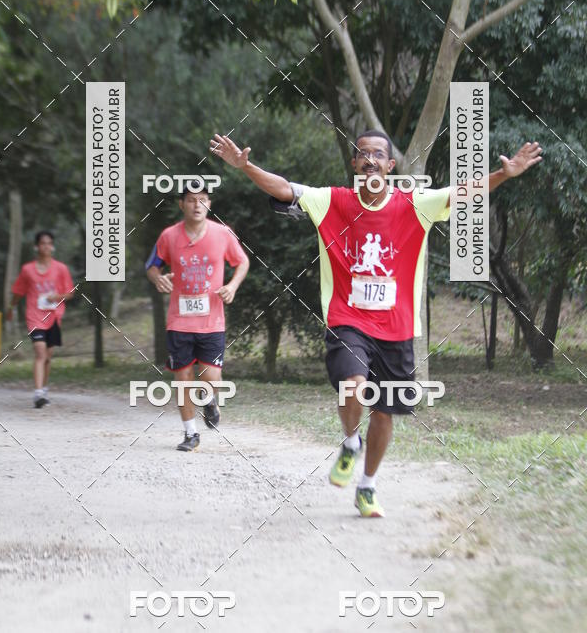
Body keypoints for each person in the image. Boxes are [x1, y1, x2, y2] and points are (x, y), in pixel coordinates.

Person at [210, 130, 542, 517]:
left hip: (397, 328)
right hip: (348, 319)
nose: (370, 159)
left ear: (390, 165)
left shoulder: (415, 204)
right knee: (353, 386)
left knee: (384, 412)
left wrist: (505, 174)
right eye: (363, 154)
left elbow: (461, 192)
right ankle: (351, 441)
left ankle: (367, 486)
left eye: (378, 154)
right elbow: (285, 188)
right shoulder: (332, 201)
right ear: (354, 163)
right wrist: (245, 165)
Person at [145, 186, 249, 452]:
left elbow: (242, 262)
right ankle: (190, 434)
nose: (197, 205)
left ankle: (210, 399)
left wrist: (233, 286)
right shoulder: (169, 236)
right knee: (183, 378)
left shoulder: (222, 234)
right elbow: (152, 265)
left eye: (202, 200)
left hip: (212, 320)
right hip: (179, 320)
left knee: (212, 377)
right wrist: (158, 278)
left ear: (209, 204)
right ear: (182, 205)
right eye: (191, 200)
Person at [7, 231, 75, 408]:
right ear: (36, 246)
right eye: (43, 243)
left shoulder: (61, 269)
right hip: (34, 316)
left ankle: (44, 389)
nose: (46, 246)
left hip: (54, 316)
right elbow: (18, 292)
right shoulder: (27, 270)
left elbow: (70, 293)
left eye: (49, 243)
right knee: (40, 352)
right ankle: (38, 395)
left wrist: (56, 296)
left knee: (48, 357)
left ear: (52, 246)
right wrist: (11, 307)